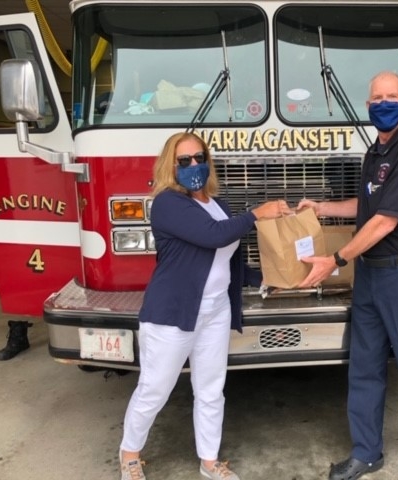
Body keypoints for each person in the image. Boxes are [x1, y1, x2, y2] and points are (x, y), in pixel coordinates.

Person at [297, 71, 398, 480]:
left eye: (391, 97)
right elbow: (366, 207)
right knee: (364, 368)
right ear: (368, 106)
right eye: (376, 98)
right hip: (371, 277)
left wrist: (337, 259)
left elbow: (384, 222)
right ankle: (366, 453)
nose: (383, 103)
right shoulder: (375, 152)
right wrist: (322, 207)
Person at [119, 131, 289, 480]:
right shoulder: (168, 204)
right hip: (173, 315)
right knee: (154, 389)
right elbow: (214, 236)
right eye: (185, 161)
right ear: (171, 166)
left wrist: (267, 278)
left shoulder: (218, 204)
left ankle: (210, 462)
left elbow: (228, 261)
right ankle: (130, 454)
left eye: (200, 158)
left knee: (211, 389)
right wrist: (257, 213)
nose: (194, 165)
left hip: (214, 311)